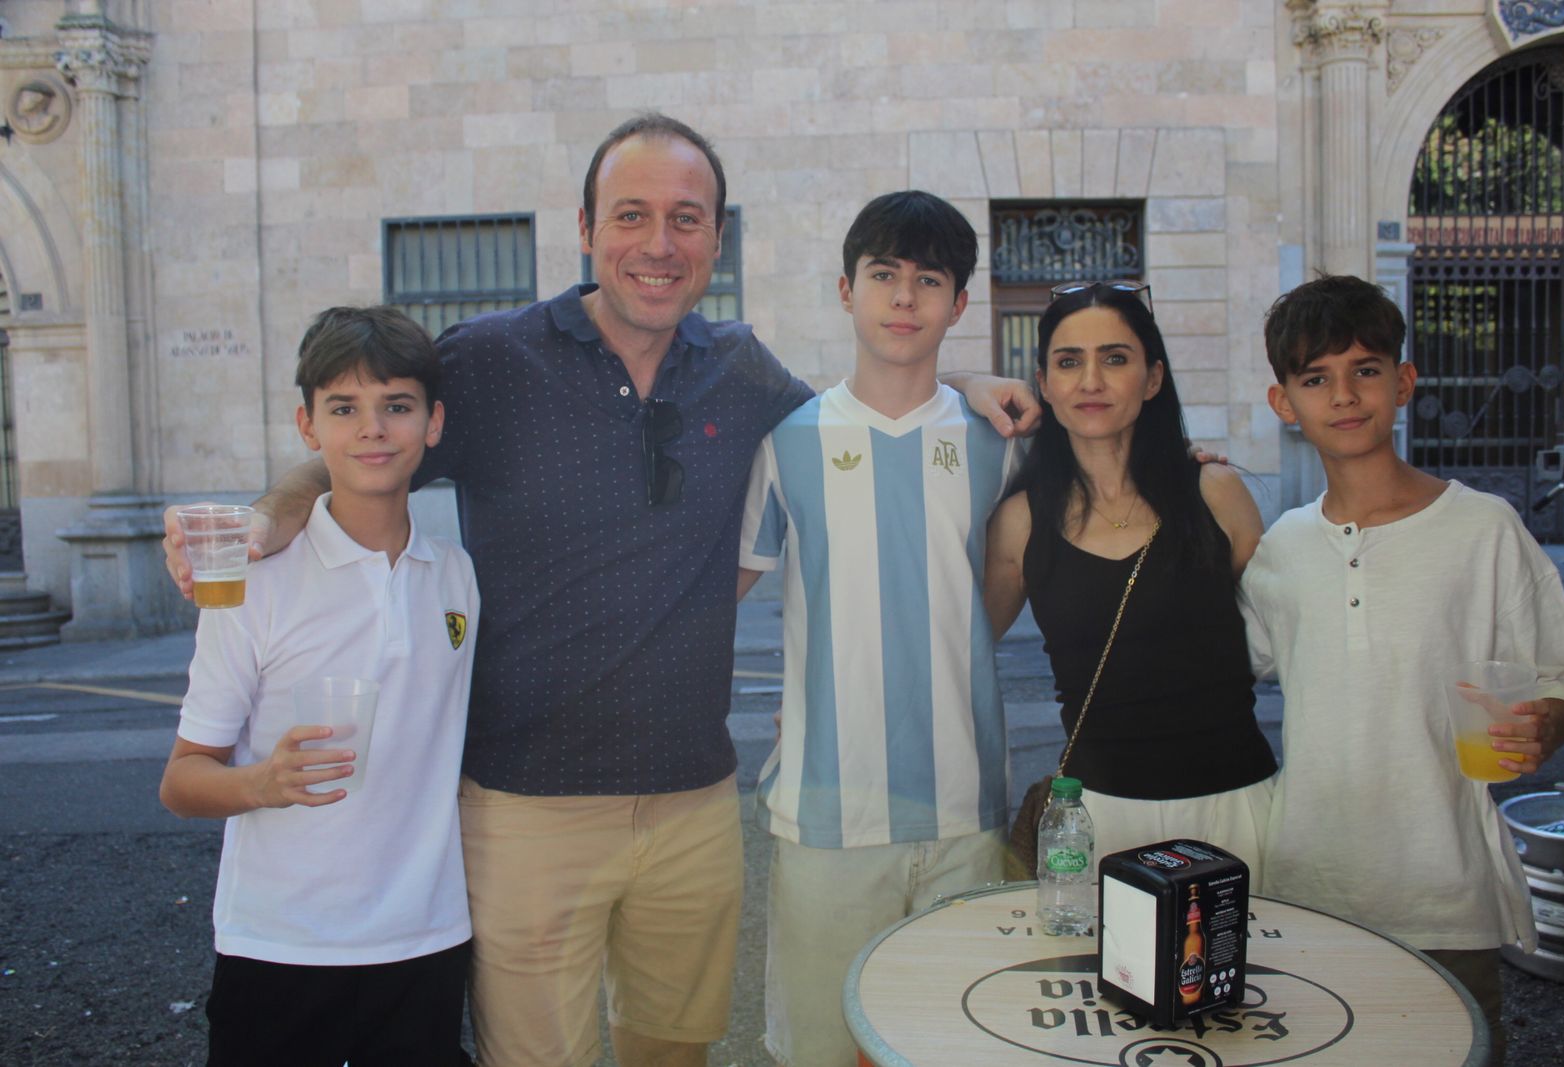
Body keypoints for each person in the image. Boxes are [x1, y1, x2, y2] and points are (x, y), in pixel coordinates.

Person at [159, 113, 1037, 1067]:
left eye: (686, 218)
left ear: (716, 236)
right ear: (584, 229)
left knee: (672, 1053)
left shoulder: (741, 371)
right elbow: (367, 437)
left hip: (694, 805)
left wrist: (972, 380)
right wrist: (268, 517)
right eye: (632, 215)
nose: (658, 244)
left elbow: (873, 406)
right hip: (528, 810)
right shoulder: (490, 361)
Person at [1241, 275, 1564, 1067]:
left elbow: (1562, 675)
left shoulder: (1484, 529)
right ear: (1283, 403)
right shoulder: (1280, 550)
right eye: (1316, 378)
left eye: (1365, 369)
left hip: (1445, 890)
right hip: (1310, 886)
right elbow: (1225, 666)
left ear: (1403, 382)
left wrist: (1545, 726)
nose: (1344, 395)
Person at [737, 191, 1021, 1067]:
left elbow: (1000, 585)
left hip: (965, 811)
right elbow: (712, 597)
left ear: (960, 304)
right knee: (822, 1048)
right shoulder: (786, 442)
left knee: (959, 1047)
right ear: (845, 289)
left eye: (928, 280)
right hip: (827, 812)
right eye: (884, 275)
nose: (904, 298)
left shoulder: (999, 440)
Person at [158, 306, 479, 1067]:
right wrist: (263, 782)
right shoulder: (253, 587)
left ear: (433, 425)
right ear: (308, 426)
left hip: (424, 937)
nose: (372, 428)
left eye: (396, 406)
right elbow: (181, 779)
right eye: (344, 408)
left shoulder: (457, 574)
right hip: (279, 945)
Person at [983, 281, 1276, 870]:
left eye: (1115, 358)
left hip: (1236, 809)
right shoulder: (1019, 521)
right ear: (1044, 383)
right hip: (1099, 818)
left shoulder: (1216, 493)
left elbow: (1289, 638)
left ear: (1153, 379)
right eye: (1069, 362)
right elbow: (953, 650)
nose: (1091, 381)